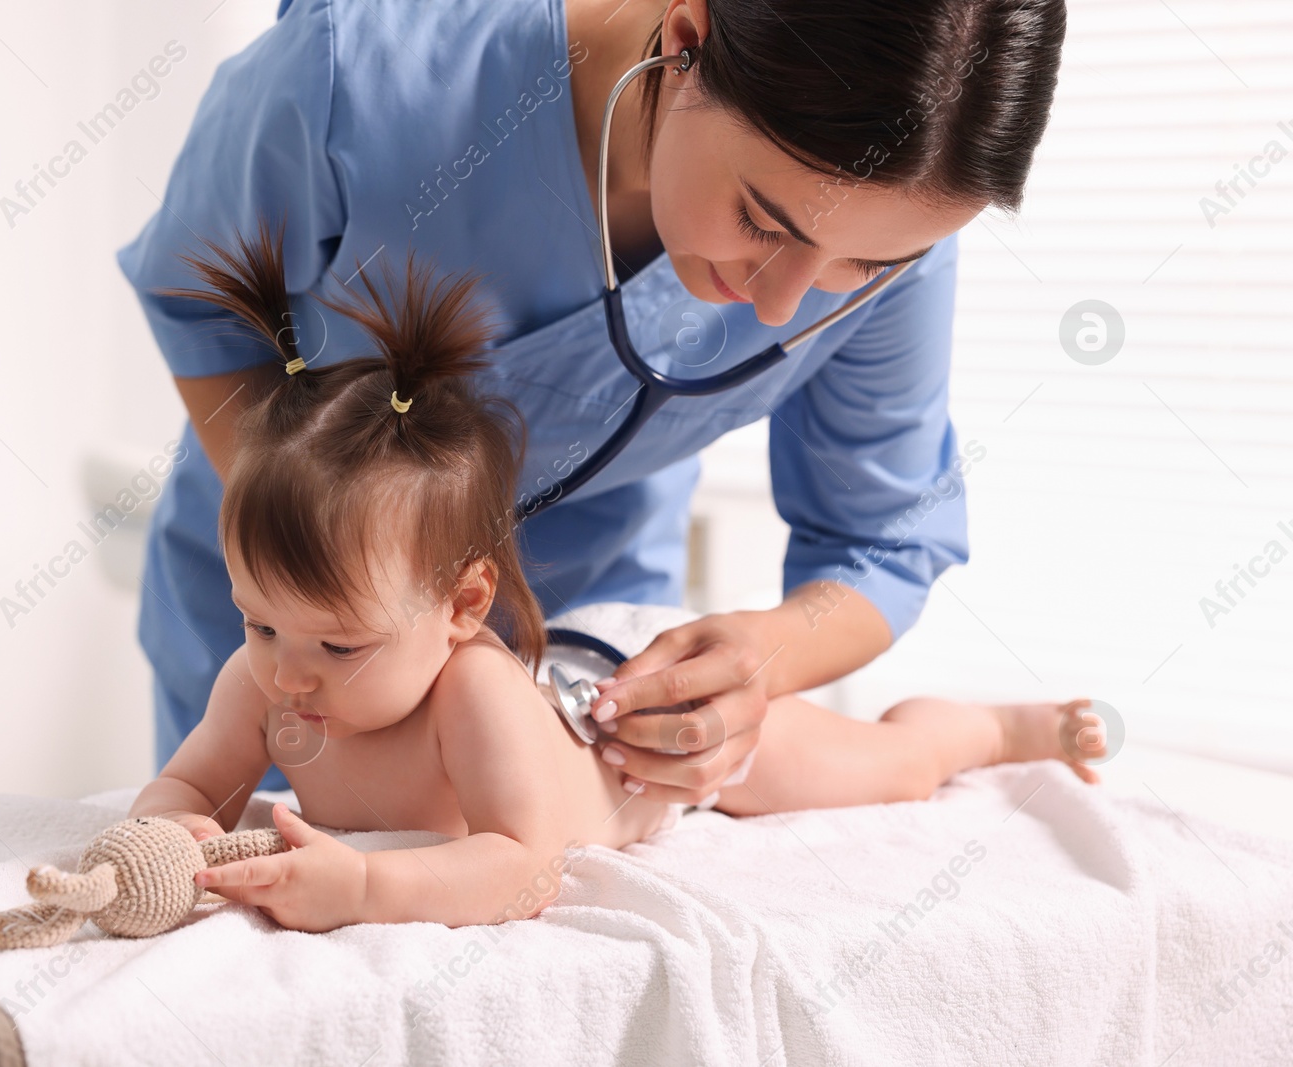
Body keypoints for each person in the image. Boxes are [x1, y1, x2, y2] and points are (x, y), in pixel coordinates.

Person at [117, 0, 1069, 800]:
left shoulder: (894, 247)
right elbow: (200, 306)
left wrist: (764, 657)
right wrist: (336, 588)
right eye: (759, 221)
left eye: (865, 263)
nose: (786, 300)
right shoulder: (357, 78)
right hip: (300, 633)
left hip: (587, 647)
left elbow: (885, 539)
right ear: (684, 43)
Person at [124, 227, 1106, 933]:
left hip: (643, 712)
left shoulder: (469, 692)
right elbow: (189, 783)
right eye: (258, 623)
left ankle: (984, 727)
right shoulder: (265, 682)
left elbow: (523, 864)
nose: (288, 672)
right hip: (575, 675)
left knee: (880, 773)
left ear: (463, 609)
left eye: (338, 643)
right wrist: (164, 838)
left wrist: (367, 891)